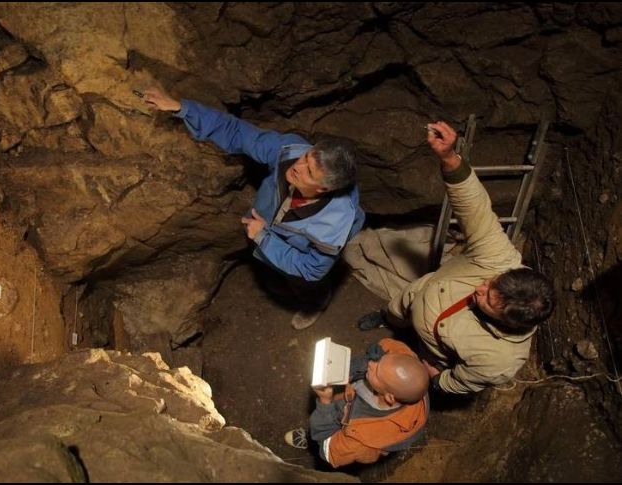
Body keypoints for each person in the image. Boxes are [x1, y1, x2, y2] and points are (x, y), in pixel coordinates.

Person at [353, 121, 556, 394]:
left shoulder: (499, 360)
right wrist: (449, 158)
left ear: (506, 322)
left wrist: (436, 380)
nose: (480, 289)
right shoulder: (500, 259)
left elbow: (463, 381)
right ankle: (387, 318)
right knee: (397, 307)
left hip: (433, 351)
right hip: (419, 293)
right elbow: (476, 210)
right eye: (492, 282)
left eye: (487, 300)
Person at [143, 88, 365, 330]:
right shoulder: (290, 152)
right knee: (273, 274)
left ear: (323, 189)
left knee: (305, 282)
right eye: (307, 157)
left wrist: (263, 236)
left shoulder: (332, 226)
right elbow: (238, 132)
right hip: (268, 225)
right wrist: (182, 108)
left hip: (299, 248)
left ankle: (315, 303)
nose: (298, 166)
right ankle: (279, 274)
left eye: (309, 171)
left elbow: (311, 269)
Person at [285, 338, 429, 467]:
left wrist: (325, 402)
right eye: (381, 360)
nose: (371, 363)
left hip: (337, 430)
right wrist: (348, 371)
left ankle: (310, 441)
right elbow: (385, 345)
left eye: (377, 371)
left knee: (319, 437)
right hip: (348, 396)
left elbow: (328, 452)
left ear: (390, 397)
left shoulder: (363, 443)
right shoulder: (408, 368)